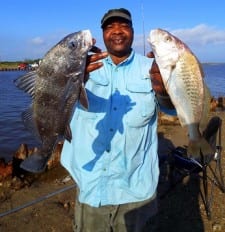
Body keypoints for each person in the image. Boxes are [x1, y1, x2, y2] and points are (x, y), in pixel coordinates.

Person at [61, 8, 174, 232]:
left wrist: (163, 91)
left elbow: (171, 109)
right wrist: (70, 83)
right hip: (92, 189)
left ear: (132, 31)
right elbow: (54, 104)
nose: (117, 31)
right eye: (110, 27)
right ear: (102, 34)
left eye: (123, 25)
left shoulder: (151, 68)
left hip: (137, 190)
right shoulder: (82, 68)